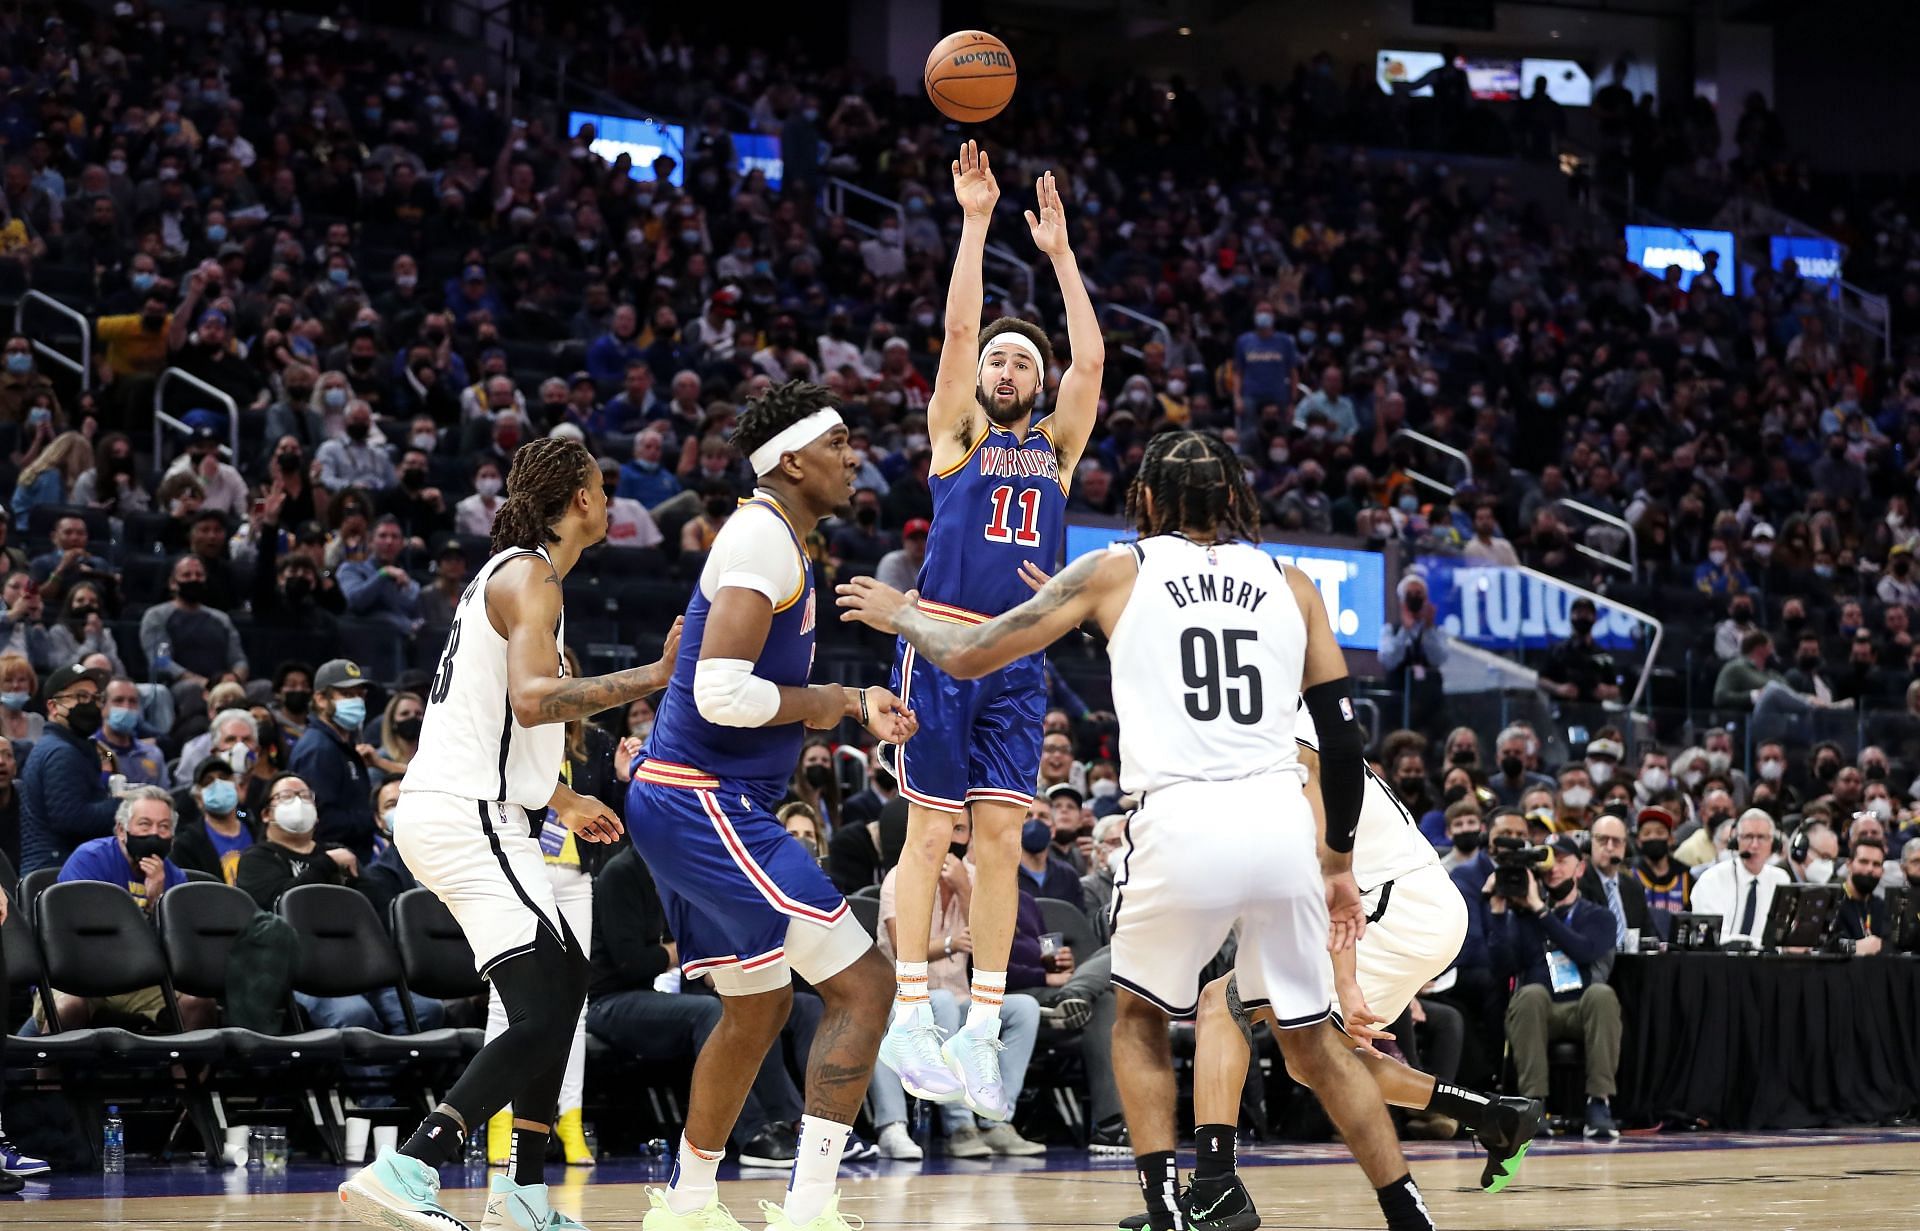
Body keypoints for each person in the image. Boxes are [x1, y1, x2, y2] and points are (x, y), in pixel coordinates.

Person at [840, 429, 1438, 1231]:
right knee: (1315, 1044)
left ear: (1147, 500)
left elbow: (972, 653)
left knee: (1142, 1016)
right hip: (1279, 827)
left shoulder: (1116, 568)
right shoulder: (1293, 583)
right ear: (1234, 501)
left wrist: (902, 613)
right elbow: (1343, 740)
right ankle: (1408, 1211)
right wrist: (1336, 863)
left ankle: (1164, 1206)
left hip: (1182, 821)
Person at [339, 436, 683, 1231]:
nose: (607, 498)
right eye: (601, 486)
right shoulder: (532, 576)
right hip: (469, 816)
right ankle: (407, 1165)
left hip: (476, 809)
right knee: (540, 1004)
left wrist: (559, 797)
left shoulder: (515, 577)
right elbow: (532, 701)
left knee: (562, 989)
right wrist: (653, 676)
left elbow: (499, 717)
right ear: (579, 499)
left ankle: (523, 1196)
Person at [624, 380, 914, 1231]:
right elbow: (720, 691)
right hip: (702, 797)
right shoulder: (760, 539)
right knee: (866, 985)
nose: (854, 456)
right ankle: (811, 1208)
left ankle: (685, 1204)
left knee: (759, 1005)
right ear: (791, 459)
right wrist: (828, 698)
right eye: (839, 443)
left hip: (689, 800)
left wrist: (854, 705)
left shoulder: (776, 536)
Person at [1121, 701, 1539, 1228]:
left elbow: (1323, 874)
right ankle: (1492, 1115)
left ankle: (1216, 1186)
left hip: (1391, 902)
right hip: (1404, 904)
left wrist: (1345, 977)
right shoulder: (1267, 745)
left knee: (1223, 1003)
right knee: (1308, 1059)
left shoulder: (1295, 754)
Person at [869, 811, 1046, 1160]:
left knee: (1025, 1008)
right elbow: (900, 942)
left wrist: (966, 891)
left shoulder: (977, 881)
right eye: (949, 828)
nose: (954, 837)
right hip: (904, 998)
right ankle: (959, 1125)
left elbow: (998, 950)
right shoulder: (900, 877)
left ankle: (996, 1120)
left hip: (960, 997)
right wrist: (951, 943)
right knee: (944, 1003)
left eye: (962, 829)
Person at [42, 786, 217, 1031]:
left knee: (199, 1002)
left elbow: (179, 949)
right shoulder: (90, 859)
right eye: (145, 825)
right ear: (122, 830)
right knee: (68, 1007)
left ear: (173, 838)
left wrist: (158, 900)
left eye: (164, 827)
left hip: (141, 979)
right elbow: (82, 934)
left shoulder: (174, 877)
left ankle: (182, 1069)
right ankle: (40, 1068)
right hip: (79, 974)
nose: (155, 834)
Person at [1490, 834, 1622, 1140]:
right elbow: (1501, 967)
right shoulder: (1524, 916)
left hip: (1581, 1010)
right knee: (1530, 994)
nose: (1554, 869)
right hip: (1540, 1009)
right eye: (1548, 863)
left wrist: (1541, 911)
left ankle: (1599, 1102)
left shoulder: (1598, 916)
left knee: (1602, 995)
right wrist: (1498, 912)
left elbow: (1584, 951)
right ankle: (1534, 1104)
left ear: (1580, 868)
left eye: (1562, 861)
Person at [17, 663, 118, 872]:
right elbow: (72, 819)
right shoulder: (61, 753)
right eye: (80, 697)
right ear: (53, 707)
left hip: (64, 866)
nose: (90, 705)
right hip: (55, 872)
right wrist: (122, 806)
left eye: (95, 698)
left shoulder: (73, 747)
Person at [288, 660, 380, 862]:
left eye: (360, 694)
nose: (356, 702)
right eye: (347, 695)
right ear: (321, 699)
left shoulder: (339, 744)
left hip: (353, 859)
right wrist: (373, 818)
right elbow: (322, 821)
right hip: (333, 864)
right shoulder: (318, 749)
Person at [1689, 809, 1790, 946]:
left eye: (1761, 837)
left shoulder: (1780, 879)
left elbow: (1781, 935)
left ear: (1774, 842)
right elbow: (1712, 937)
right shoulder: (1712, 879)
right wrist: (1757, 944)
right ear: (1736, 841)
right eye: (1748, 837)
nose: (1754, 845)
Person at [1377, 573, 1448, 737]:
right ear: (1402, 601)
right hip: (1399, 702)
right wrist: (1405, 631)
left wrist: (1429, 629)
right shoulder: (1391, 630)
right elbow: (1387, 660)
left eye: (1419, 595)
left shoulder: (1437, 631)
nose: (1415, 599)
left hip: (1430, 704)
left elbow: (1439, 658)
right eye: (1411, 595)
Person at [171, 756, 258, 884]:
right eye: (208, 782)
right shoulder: (186, 844)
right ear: (198, 798)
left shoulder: (256, 830)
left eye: (223, 778)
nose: (218, 784)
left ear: (236, 787)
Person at [1578, 814, 1651, 946]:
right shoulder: (1579, 883)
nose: (1610, 847)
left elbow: (1648, 934)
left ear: (1625, 846)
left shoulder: (1633, 886)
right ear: (1591, 843)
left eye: (1616, 841)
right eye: (1603, 840)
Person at [1835, 838, 1890, 954]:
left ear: (1882, 871)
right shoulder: (1832, 901)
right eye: (1863, 862)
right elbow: (1823, 946)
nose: (1870, 869)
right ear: (1849, 865)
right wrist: (1854, 947)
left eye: (1876, 864)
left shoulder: (1882, 907)